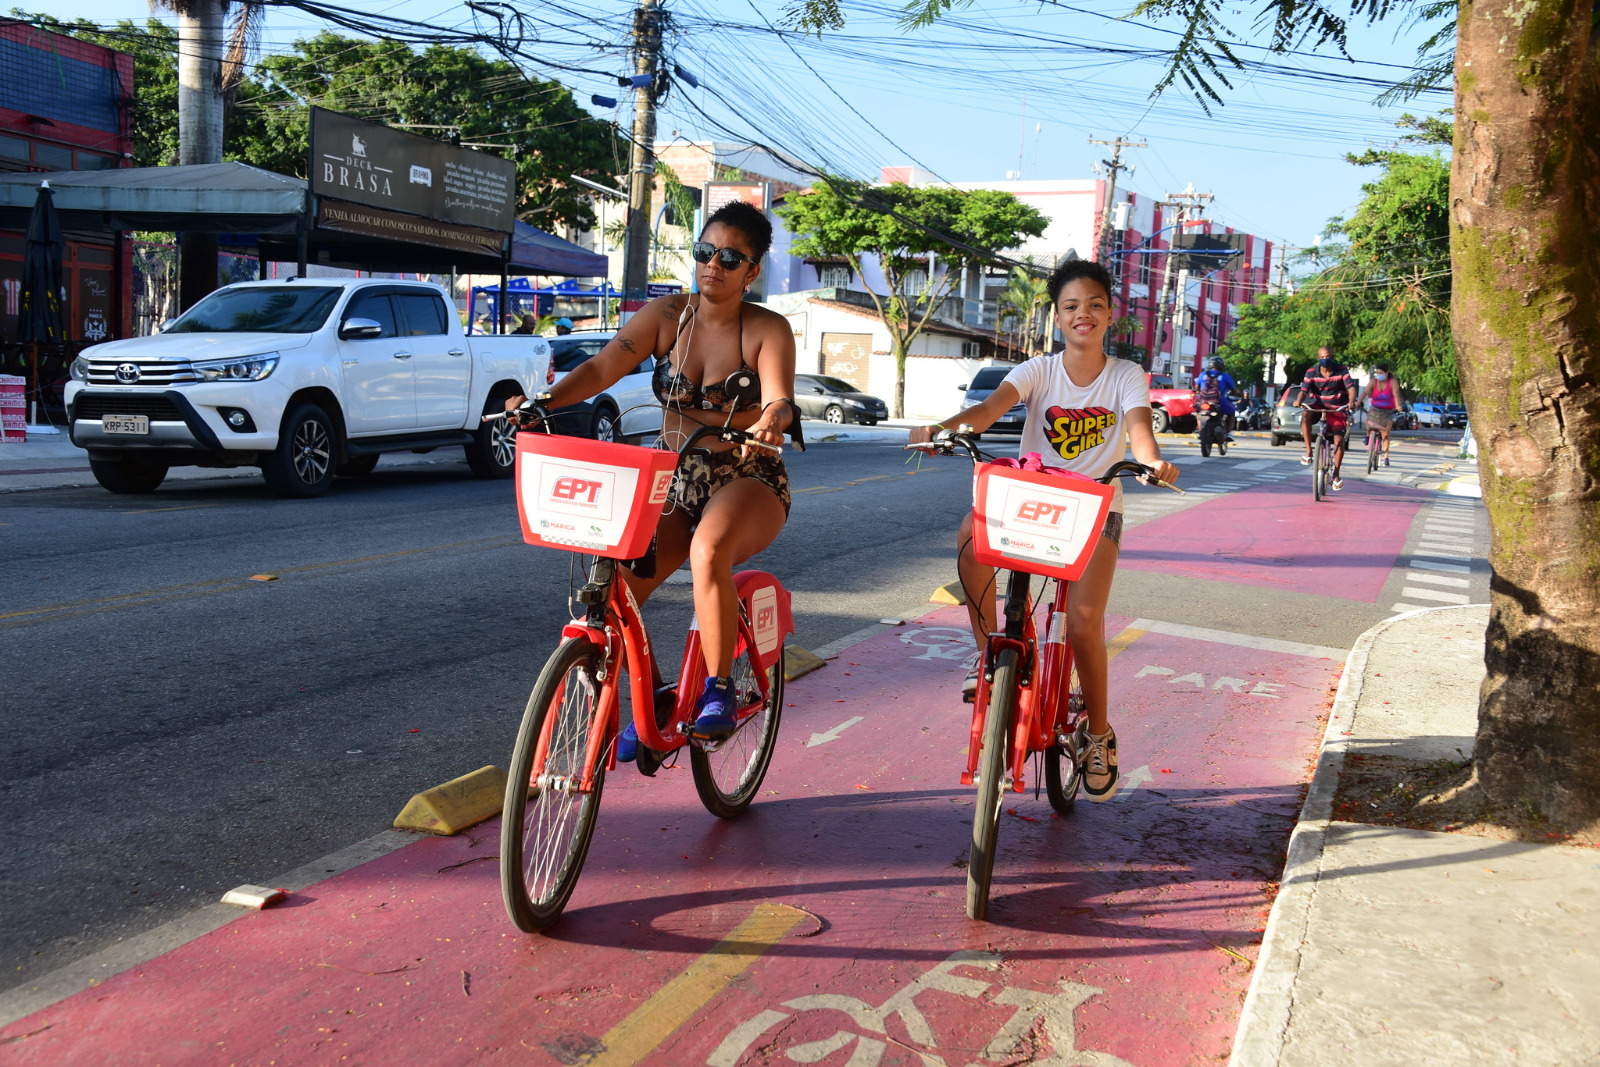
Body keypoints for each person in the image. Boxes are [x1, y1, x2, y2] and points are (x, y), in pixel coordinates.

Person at [505, 200, 797, 756]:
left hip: (747, 475)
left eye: (730, 258)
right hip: (672, 478)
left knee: (709, 550)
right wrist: (543, 402)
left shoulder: (767, 329)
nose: (713, 265)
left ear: (752, 271)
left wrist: (771, 419)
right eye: (706, 251)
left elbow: (780, 398)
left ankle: (718, 690)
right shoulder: (666, 316)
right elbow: (600, 368)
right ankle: (657, 700)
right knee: (616, 591)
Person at [909, 259, 1180, 803]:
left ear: (1110, 314)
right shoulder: (1037, 370)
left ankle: (1097, 734)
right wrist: (940, 430)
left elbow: (1139, 430)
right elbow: (988, 410)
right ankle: (991, 654)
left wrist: (1151, 461)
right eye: (1072, 306)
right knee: (971, 538)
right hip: (1033, 499)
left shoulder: (1125, 375)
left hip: (1096, 508)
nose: (1084, 314)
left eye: (1095, 305)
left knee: (1082, 624)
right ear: (1057, 317)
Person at [1298, 346, 1358, 489]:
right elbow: (1304, 390)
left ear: (1332, 356)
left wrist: (1351, 401)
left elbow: (1351, 388)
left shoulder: (1342, 370)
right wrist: (1298, 400)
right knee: (1305, 414)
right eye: (1322, 357)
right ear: (1318, 358)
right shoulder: (1311, 372)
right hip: (1317, 406)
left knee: (1339, 440)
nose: (1325, 359)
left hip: (1337, 408)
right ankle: (1308, 451)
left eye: (1328, 356)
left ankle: (1336, 474)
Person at [1359, 362, 1402, 466]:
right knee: (1368, 422)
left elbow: (1396, 395)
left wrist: (1398, 406)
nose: (1379, 375)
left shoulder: (1392, 382)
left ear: (1387, 373)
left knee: (1385, 434)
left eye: (1381, 373)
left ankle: (1386, 456)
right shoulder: (1374, 382)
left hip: (1388, 411)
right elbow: (1365, 392)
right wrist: (1358, 401)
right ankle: (1368, 436)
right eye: (1377, 373)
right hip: (1375, 409)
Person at [1193, 355, 1236, 440]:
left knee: (1198, 413)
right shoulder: (1224, 376)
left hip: (1203, 401)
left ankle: (1201, 430)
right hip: (1219, 402)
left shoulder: (1203, 374)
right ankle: (1228, 433)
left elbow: (1197, 386)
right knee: (1232, 411)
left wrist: (1198, 392)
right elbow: (1233, 389)